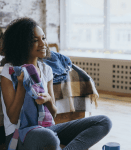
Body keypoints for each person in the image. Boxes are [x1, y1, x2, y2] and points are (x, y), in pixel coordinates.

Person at [1, 17, 112, 150]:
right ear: (22, 43)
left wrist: (48, 100)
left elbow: (53, 113)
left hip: (46, 129)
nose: (43, 44)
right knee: (49, 137)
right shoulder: (9, 71)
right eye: (35, 40)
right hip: (19, 134)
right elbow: (13, 119)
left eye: (43, 38)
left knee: (104, 122)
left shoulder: (46, 70)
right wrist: (21, 85)